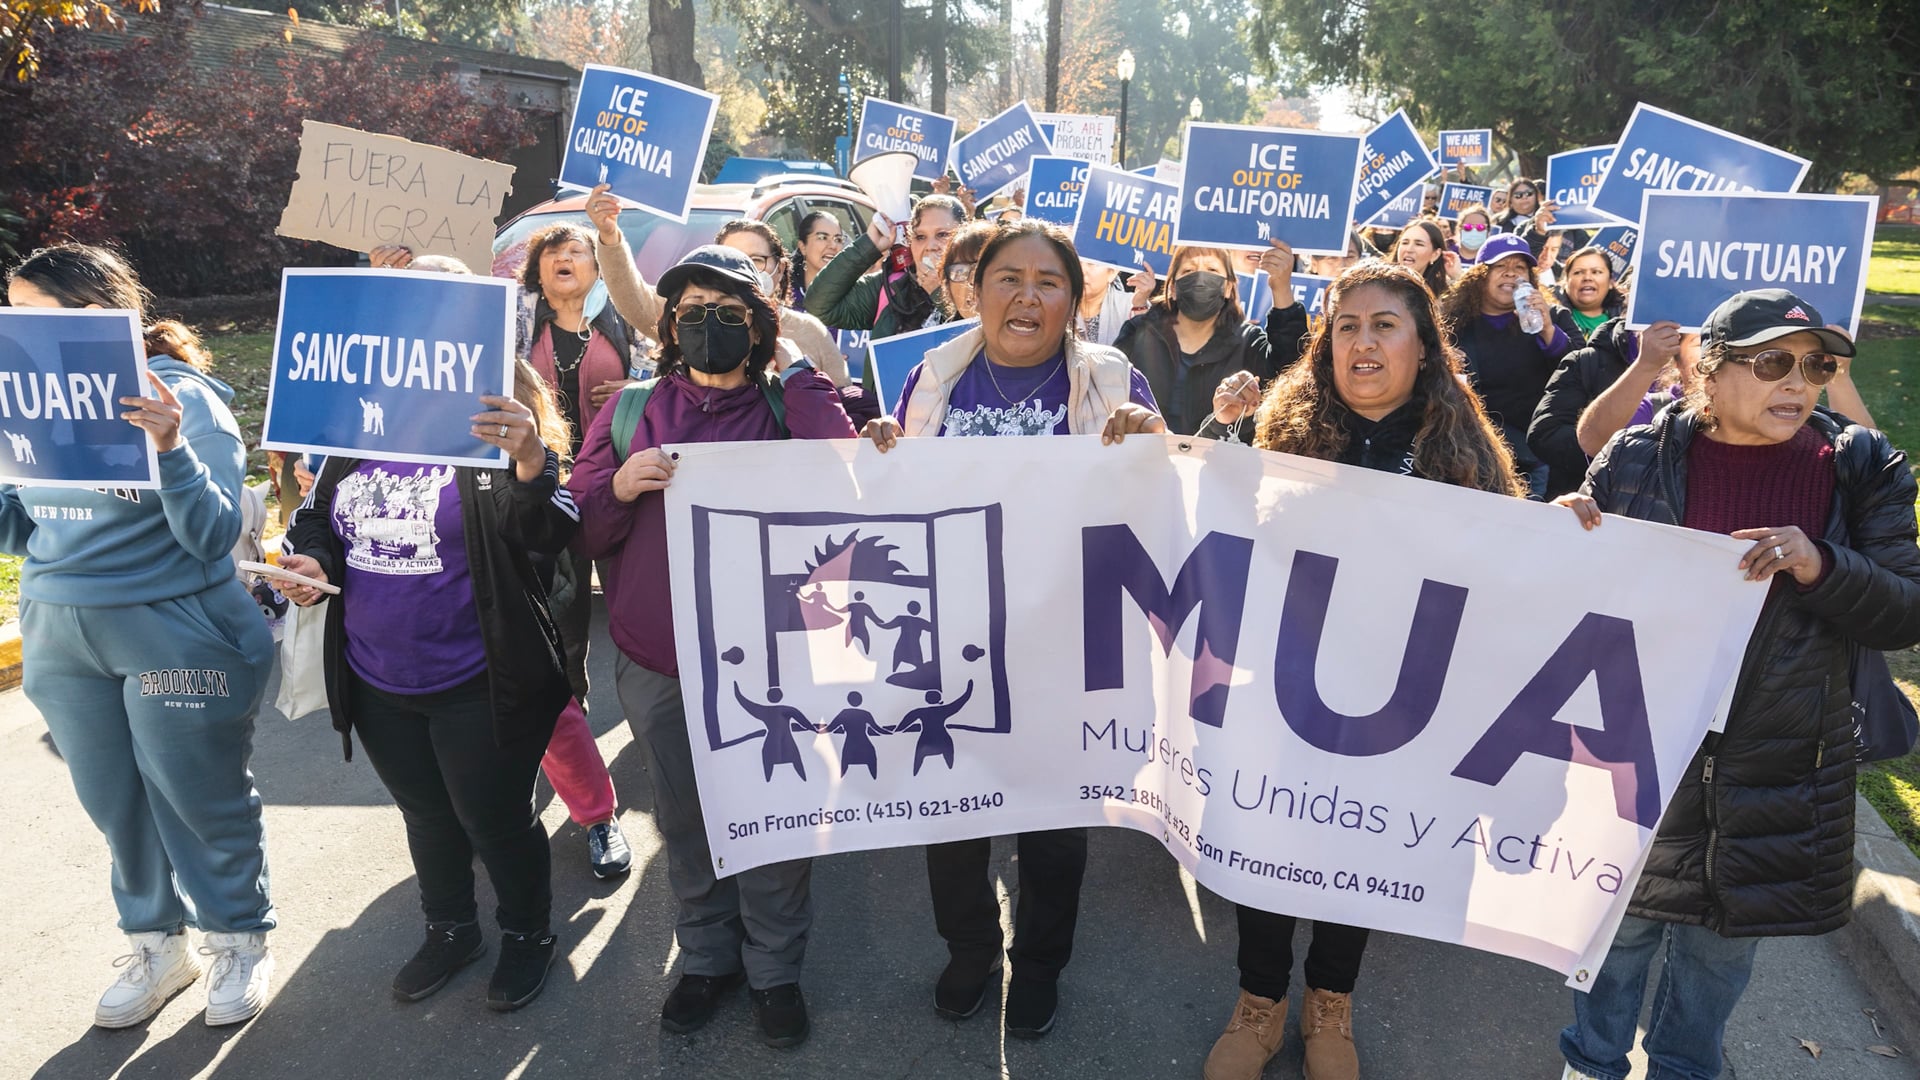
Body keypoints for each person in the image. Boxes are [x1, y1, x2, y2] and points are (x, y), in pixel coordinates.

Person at [1553, 289, 1920, 1080]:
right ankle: (1592, 1063)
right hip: (1644, 749)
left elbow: (1905, 611)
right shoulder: (1637, 457)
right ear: (1710, 374)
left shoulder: (1863, 467)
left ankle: (1687, 1068)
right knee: (1617, 936)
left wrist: (1821, 563)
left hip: (1781, 761)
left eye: (1817, 365)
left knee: (1721, 954)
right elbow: (1572, 601)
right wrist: (1567, 532)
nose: (1799, 381)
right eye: (1773, 362)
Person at [1202, 262, 1524, 1080]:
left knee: (1358, 851)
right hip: (1283, 695)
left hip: (1397, 706)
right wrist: (1216, 437)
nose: (1364, 341)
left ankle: (1330, 1003)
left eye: (1385, 325)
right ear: (1325, 345)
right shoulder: (1283, 427)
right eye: (1347, 326)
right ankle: (1260, 1000)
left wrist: (1566, 534)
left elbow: (1516, 576)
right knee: (1269, 843)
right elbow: (1214, 528)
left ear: (1424, 347)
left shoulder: (1463, 455)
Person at [862, 219, 1165, 1039]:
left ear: (1073, 300)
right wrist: (884, 448)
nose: (1027, 296)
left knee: (1054, 827)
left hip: (1063, 647)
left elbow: (1162, 504)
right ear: (976, 289)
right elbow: (891, 499)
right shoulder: (934, 378)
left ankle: (1037, 968)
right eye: (1008, 278)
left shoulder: (1111, 378)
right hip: (950, 641)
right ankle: (970, 954)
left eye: (1049, 282)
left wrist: (1152, 445)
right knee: (951, 817)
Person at [568, 246, 856, 1049]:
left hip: (776, 662)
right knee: (687, 818)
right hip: (660, 660)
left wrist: (797, 371)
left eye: (729, 315)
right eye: (690, 314)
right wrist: (619, 487)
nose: (706, 328)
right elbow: (583, 527)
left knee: (775, 813)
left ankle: (774, 970)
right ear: (669, 327)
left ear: (760, 327)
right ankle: (706, 958)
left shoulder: (783, 406)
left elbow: (847, 472)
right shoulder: (629, 410)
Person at [2, 243, 278, 1029]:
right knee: (114, 804)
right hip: (60, 632)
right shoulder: (24, 400)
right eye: (11, 313)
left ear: (97, 314)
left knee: (198, 796)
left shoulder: (183, 396)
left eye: (34, 314)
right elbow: (23, 531)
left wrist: (170, 448)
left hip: (176, 628)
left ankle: (238, 936)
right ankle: (159, 943)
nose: (18, 331)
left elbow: (216, 531)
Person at [278, 354, 577, 1011]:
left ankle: (528, 935)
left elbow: (550, 532)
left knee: (495, 821)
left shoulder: (489, 433)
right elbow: (316, 519)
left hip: (478, 678)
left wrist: (529, 460)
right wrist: (310, 561)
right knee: (428, 815)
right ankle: (451, 929)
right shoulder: (360, 431)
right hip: (377, 677)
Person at [369, 243, 633, 881]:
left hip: (506, 591)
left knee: (551, 713)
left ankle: (597, 816)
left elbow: (548, 498)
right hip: (415, 605)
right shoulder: (370, 387)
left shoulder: (507, 380)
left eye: (442, 300)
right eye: (410, 300)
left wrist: (527, 459)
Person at [1437, 233, 1584, 497]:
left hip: (1533, 461)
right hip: (1467, 455)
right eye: (1501, 267)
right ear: (1480, 275)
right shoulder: (1452, 322)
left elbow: (1582, 372)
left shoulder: (1554, 318)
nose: (1510, 274)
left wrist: (1548, 331)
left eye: (1519, 268)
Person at [1114, 245, 1272, 434]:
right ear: (1173, 288)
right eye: (1189, 271)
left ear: (1228, 287)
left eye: (1212, 270)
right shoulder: (1138, 331)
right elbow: (1109, 391)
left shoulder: (1249, 342)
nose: (1200, 279)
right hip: (1142, 455)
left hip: (1216, 459)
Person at [1526, 316, 1684, 499]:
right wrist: (1617, 458)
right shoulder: (1588, 362)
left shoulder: (1696, 377)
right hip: (1587, 505)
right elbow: (1546, 434)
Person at [805, 193, 966, 340]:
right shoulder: (891, 288)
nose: (930, 246)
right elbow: (818, 305)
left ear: (964, 236)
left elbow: (975, 337)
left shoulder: (982, 286)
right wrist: (868, 246)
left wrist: (938, 293)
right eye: (920, 237)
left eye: (942, 234)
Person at [1556, 245, 1628, 339]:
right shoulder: (1550, 315)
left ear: (1611, 281)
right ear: (1566, 281)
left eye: (1596, 272)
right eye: (1578, 272)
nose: (1587, 278)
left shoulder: (1626, 319)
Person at [936, 220, 998, 323]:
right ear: (947, 284)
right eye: (960, 271)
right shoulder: (942, 338)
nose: (972, 282)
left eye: (981, 270)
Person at [786, 210, 848, 308]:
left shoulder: (851, 294)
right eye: (822, 237)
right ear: (803, 247)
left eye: (838, 240)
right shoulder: (786, 293)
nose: (833, 245)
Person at [1075, 259, 1133, 346]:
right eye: (1077, 262)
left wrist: (1140, 307)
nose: (1082, 270)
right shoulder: (1059, 302)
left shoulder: (1131, 306)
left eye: (1091, 264)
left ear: (1112, 272)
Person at [1390, 219, 1451, 297]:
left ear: (1435, 254)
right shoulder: (1379, 285)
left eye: (1419, 244)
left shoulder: (1443, 296)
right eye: (1405, 243)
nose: (1409, 249)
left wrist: (1457, 277)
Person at [1449, 204, 1493, 269]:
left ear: (1488, 232)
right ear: (1460, 229)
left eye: (1480, 227)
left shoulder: (1492, 258)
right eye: (1468, 227)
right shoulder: (1447, 251)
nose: (1474, 231)